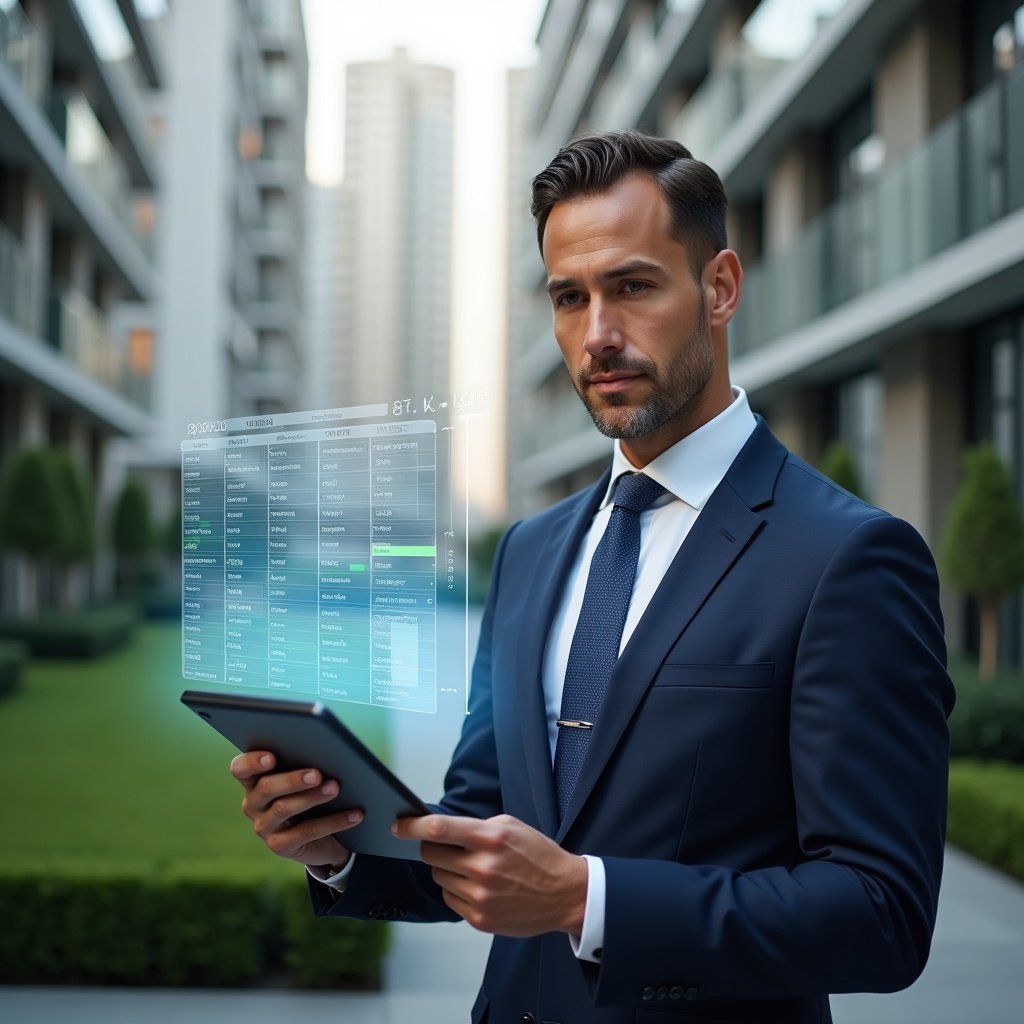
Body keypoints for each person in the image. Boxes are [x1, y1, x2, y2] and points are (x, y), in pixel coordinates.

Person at [230, 129, 954, 1023]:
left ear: (720, 288)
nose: (597, 334)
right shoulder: (531, 550)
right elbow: (482, 824)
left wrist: (587, 899)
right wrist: (337, 845)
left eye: (633, 285)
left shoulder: (849, 558)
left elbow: (881, 915)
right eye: (569, 298)